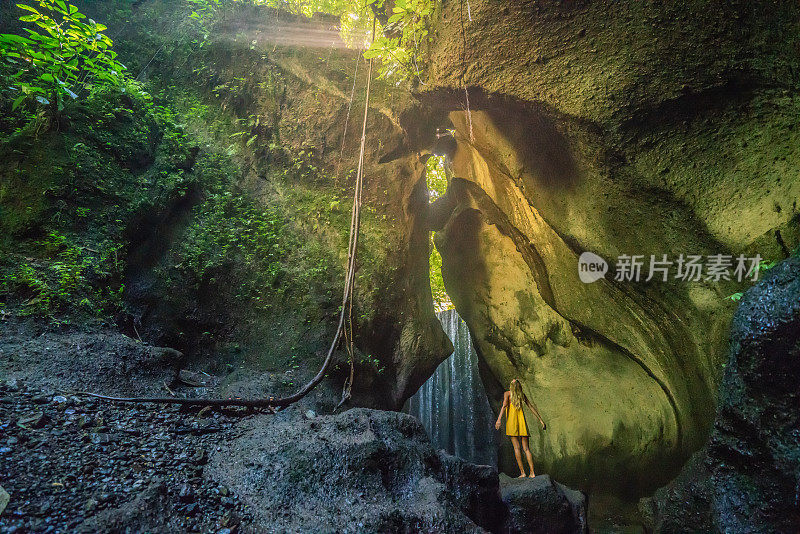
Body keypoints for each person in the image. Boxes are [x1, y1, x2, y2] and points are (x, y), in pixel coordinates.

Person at [494, 378, 546, 478]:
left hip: (512, 423)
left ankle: (523, 473)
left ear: (511, 386)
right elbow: (531, 407)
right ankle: (532, 473)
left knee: (516, 448)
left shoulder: (507, 394)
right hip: (522, 423)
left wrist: (499, 420)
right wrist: (541, 420)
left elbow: (504, 406)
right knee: (526, 449)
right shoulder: (521, 395)